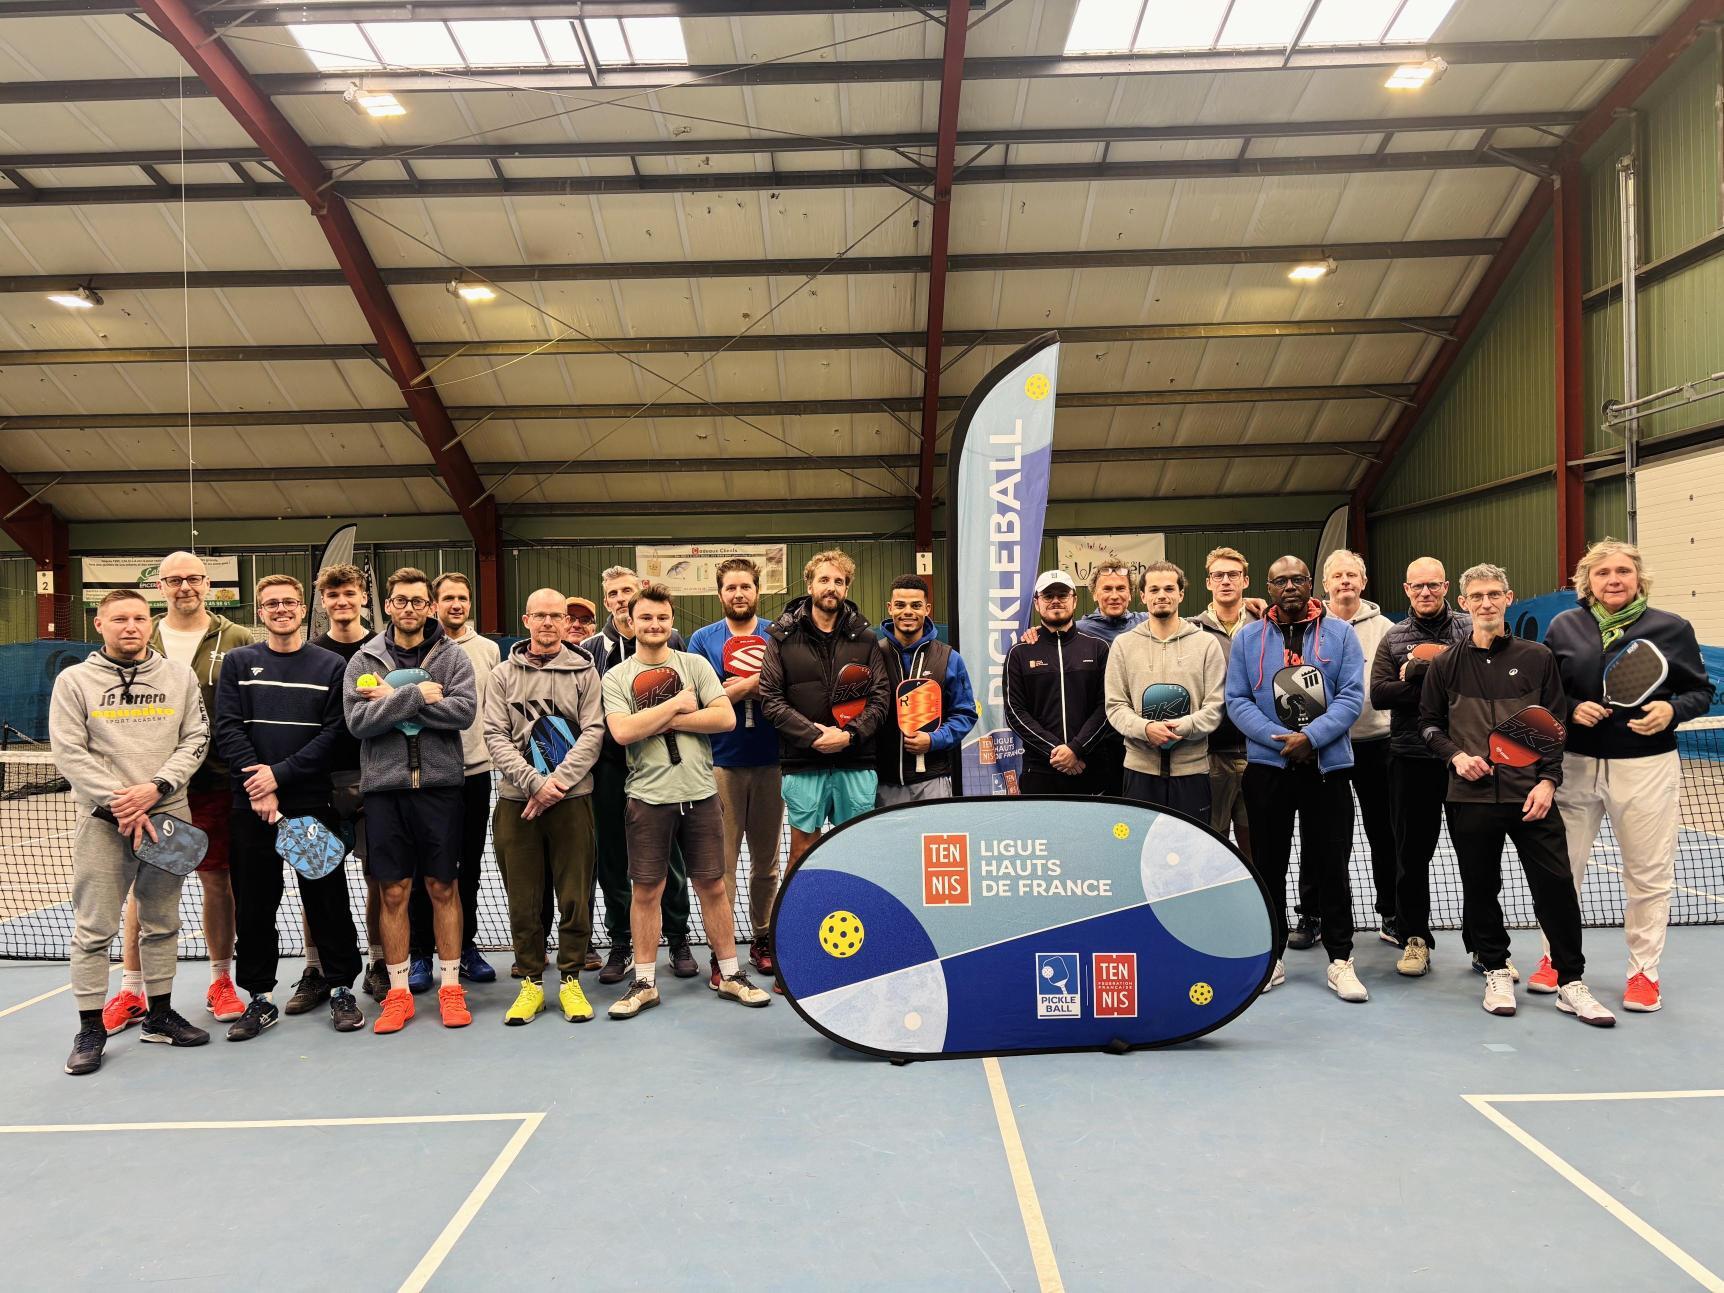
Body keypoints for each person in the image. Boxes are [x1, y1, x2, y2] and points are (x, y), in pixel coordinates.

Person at [1417, 563, 1615, 1026]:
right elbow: (1428, 725)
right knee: (1480, 888)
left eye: (1494, 594)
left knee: (1556, 888)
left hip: (1533, 798)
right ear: (1463, 604)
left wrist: (1548, 781)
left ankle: (1570, 981)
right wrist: (1455, 757)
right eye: (1477, 596)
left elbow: (1554, 725)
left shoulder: (1537, 658)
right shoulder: (1445, 664)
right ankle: (1496, 969)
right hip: (1470, 798)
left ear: (1508, 599)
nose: (1486, 603)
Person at [1542, 538, 1712, 1012]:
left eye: (1623, 571)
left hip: (1646, 766)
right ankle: (1555, 959)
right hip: (1575, 764)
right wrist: (1571, 709)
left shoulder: (1671, 628)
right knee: (1560, 870)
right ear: (1587, 581)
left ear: (1638, 578)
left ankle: (1643, 973)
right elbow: (1546, 690)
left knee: (1648, 872)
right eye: (1603, 572)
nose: (1613, 580)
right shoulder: (1564, 626)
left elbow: (1700, 691)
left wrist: (1672, 711)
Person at [53, 588, 211, 1075]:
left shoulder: (180, 677)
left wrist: (156, 788)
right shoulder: (74, 681)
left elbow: (196, 737)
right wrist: (121, 801)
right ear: (99, 625)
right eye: (119, 619)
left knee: (163, 922)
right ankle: (90, 1027)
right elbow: (68, 750)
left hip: (169, 817)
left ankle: (160, 1015)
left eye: (140, 618)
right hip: (104, 823)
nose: (131, 627)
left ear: (150, 623)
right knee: (94, 929)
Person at [601, 583, 771, 1017]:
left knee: (713, 885)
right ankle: (644, 983)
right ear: (631, 621)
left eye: (662, 617)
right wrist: (676, 704)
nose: (654, 624)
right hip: (647, 797)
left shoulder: (695, 664)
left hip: (700, 795)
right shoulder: (617, 677)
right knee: (646, 890)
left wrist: (656, 719)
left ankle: (730, 973)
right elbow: (622, 732)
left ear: (671, 621)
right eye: (645, 617)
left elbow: (724, 717)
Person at [102, 551, 251, 1034]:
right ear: (160, 586)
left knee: (217, 880)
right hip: (148, 790)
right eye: (174, 580)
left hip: (215, 783)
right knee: (143, 887)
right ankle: (131, 989)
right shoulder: (142, 634)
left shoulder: (238, 638)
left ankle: (220, 980)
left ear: (207, 583)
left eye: (193, 578)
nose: (184, 586)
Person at [214, 574, 363, 1039]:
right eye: (271, 603)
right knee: (255, 905)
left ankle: (341, 988)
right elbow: (227, 728)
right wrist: (259, 786)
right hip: (251, 806)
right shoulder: (239, 662)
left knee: (328, 900)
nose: (281, 609)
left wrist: (279, 776)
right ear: (260, 612)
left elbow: (333, 733)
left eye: (289, 602)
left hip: (310, 804)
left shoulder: (329, 665)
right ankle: (259, 998)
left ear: (303, 609)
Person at [1224, 555, 1367, 1003]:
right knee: (1269, 864)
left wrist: (1312, 737)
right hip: (1269, 769)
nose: (1289, 586)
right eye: (1280, 580)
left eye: (1297, 579)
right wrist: (1279, 739)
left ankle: (1341, 958)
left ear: (1310, 584)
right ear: (1268, 588)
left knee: (1332, 865)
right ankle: (1273, 955)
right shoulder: (1248, 638)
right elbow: (1237, 699)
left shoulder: (1341, 634)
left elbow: (1351, 696)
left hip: (1327, 769)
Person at [342, 567, 479, 1034]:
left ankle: (451, 987)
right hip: (385, 792)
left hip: (441, 789)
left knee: (443, 887)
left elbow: (462, 712)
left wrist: (390, 699)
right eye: (400, 601)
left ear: (430, 606)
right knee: (394, 891)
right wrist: (416, 694)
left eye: (418, 601)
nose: (409, 609)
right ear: (387, 606)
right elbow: (359, 723)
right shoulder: (364, 659)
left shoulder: (452, 656)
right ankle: (398, 994)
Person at [484, 588, 606, 1025]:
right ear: (527, 620)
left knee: (575, 895)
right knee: (524, 898)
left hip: (573, 801)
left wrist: (557, 784)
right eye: (541, 615)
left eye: (557, 616)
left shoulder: (585, 672)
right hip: (516, 803)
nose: (550, 622)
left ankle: (570, 979)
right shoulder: (502, 675)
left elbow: (594, 732)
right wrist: (535, 783)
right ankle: (531, 984)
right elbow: (494, 735)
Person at [581, 566, 697, 984]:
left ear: (639, 596)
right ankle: (621, 942)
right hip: (609, 767)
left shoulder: (673, 641)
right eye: (613, 593)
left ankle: (678, 937)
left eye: (627, 591)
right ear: (608, 601)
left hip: (660, 766)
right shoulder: (589, 651)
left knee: (671, 855)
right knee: (612, 859)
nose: (620, 599)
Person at [1369, 557, 1473, 979]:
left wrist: (1418, 671)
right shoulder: (1393, 637)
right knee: (1410, 856)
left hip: (1466, 761)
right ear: (1406, 589)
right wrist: (1442, 684)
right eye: (1418, 586)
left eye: (1433, 585)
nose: (1425, 592)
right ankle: (1414, 938)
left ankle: (1484, 944)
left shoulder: (1470, 628)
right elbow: (1380, 693)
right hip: (1410, 759)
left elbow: (1481, 683)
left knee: (1476, 855)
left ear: (1446, 587)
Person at [760, 549, 890, 873]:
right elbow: (771, 698)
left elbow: (880, 699)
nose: (831, 587)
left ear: (846, 588)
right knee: (802, 854)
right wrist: (814, 736)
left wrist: (849, 736)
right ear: (810, 585)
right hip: (803, 763)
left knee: (857, 854)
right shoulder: (781, 638)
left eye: (839, 581)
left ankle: (855, 907)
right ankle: (797, 910)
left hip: (855, 761)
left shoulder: (867, 639)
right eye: (824, 580)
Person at [401, 571, 500, 992]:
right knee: (424, 869)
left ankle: (465, 945)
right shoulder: (415, 650)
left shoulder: (489, 650)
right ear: (433, 605)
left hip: (475, 773)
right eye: (448, 598)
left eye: (463, 597)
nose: (456, 604)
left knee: (469, 867)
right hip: (427, 775)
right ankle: (422, 952)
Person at [688, 557, 785, 984]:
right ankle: (722, 950)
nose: (739, 594)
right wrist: (735, 692)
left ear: (757, 591)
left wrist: (747, 685)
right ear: (720, 594)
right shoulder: (703, 639)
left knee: (767, 864)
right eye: (731, 587)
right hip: (721, 766)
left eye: (746, 586)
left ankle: (763, 939)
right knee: (721, 866)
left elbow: (785, 687)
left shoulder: (777, 635)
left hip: (771, 763)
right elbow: (698, 696)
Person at [1303, 550, 1394, 947]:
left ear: (1363, 582)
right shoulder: (1308, 626)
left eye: (1351, 575)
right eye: (1337, 576)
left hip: (1376, 744)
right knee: (1321, 835)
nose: (1344, 581)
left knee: (1385, 833)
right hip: (1325, 746)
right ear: (1325, 584)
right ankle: (1313, 913)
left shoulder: (1386, 628)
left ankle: (1392, 913)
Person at [307, 563, 387, 1004]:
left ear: (363, 598)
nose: (342, 602)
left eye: (349, 593)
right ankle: (316, 969)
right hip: (321, 783)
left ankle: (379, 962)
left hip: (375, 779)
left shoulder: (381, 651)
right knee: (316, 876)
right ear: (323, 602)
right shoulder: (310, 654)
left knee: (380, 877)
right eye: (333, 595)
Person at [1104, 561, 1225, 817]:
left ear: (1181, 594)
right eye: (1154, 589)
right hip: (1140, 771)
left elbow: (1215, 706)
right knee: (1142, 842)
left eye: (1169, 589)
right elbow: (1115, 706)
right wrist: (1145, 728)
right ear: (1143, 596)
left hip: (1192, 771)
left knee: (1190, 842)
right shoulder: (1123, 645)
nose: (1162, 595)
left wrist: (1184, 726)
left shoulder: (1207, 644)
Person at [1003, 570, 1115, 796]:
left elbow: (1107, 707)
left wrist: (1076, 749)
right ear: (1037, 603)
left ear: (1074, 600)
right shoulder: (1019, 653)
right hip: (1040, 770)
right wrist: (1056, 751)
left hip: (1089, 767)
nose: (1055, 600)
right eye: (1048, 595)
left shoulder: (1098, 648)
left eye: (1062, 595)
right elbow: (1015, 712)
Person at [873, 574, 977, 806]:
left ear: (927, 609)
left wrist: (933, 740)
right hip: (881, 781)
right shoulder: (873, 655)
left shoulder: (949, 658)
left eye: (916, 605)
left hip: (932, 780)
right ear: (890, 608)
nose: (907, 612)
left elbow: (965, 714)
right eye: (900, 605)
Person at [1191, 547, 1258, 859]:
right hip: (1211, 756)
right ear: (1208, 583)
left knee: (1256, 846)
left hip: (1257, 754)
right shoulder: (1191, 630)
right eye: (1218, 575)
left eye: (1233, 574)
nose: (1226, 581)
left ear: (1245, 581)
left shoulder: (1265, 624)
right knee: (1212, 847)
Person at [1076, 562, 1146, 643]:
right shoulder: (1078, 631)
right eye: (1107, 589)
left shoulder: (1146, 623)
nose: (1114, 596)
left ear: (1130, 594)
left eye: (1121, 589)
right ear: (1095, 595)